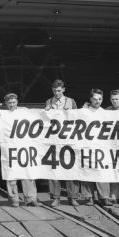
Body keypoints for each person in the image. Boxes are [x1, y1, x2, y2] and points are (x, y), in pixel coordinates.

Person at [44, 79, 79, 207]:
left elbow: (78, 117)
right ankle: (56, 197)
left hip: (68, 139)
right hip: (54, 139)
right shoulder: (48, 102)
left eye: (59, 91)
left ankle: (73, 196)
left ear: (63, 89)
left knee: (71, 167)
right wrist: (46, 111)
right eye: (54, 91)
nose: (57, 93)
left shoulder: (71, 101)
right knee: (54, 168)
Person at [2, 93, 40, 208]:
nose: (12, 105)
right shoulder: (2, 114)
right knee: (11, 172)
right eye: (9, 103)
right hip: (10, 146)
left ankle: (31, 198)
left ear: (17, 102)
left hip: (24, 146)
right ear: (6, 103)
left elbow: (38, 114)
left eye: (13, 102)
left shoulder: (24, 111)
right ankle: (14, 199)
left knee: (27, 171)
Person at [81, 89, 107, 207]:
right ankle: (89, 197)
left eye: (100, 99)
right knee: (87, 171)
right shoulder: (83, 111)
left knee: (102, 171)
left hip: (101, 145)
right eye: (95, 99)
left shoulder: (105, 112)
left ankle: (103, 197)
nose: (97, 101)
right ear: (90, 99)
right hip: (87, 145)